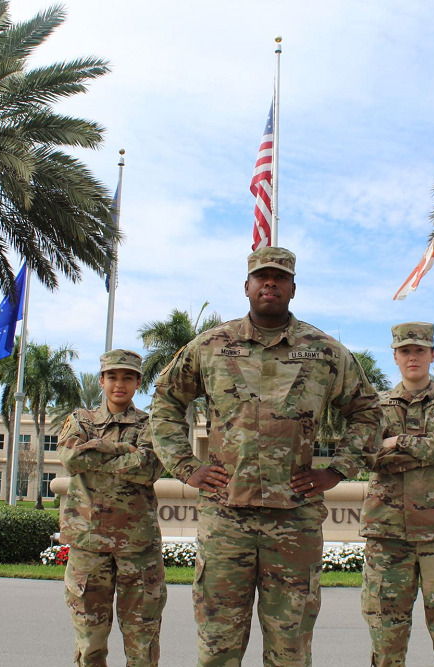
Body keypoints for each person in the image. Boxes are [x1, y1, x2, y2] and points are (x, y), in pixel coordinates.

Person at [150, 246, 380, 667]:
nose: (270, 283)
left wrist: (337, 470)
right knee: (218, 645)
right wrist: (186, 467)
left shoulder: (325, 351)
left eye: (280, 277)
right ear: (247, 286)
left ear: (293, 288)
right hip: (226, 519)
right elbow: (165, 400)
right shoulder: (211, 346)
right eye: (261, 277)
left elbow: (366, 410)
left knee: (290, 648)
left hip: (294, 520)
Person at [360, 322, 434, 667]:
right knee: (386, 640)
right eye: (405, 351)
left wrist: (400, 442)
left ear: (432, 355)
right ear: (395, 357)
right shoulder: (377, 404)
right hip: (387, 535)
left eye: (419, 351)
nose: (412, 357)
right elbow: (366, 456)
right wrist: (432, 451)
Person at [58, 349, 166, 667]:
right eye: (113, 377)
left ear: (138, 383)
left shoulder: (150, 424)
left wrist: (96, 451)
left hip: (138, 547)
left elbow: (149, 468)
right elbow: (71, 459)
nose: (120, 384)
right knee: (89, 642)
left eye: (128, 377)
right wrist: (122, 449)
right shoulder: (81, 420)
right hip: (88, 544)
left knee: (142, 642)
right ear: (102, 380)